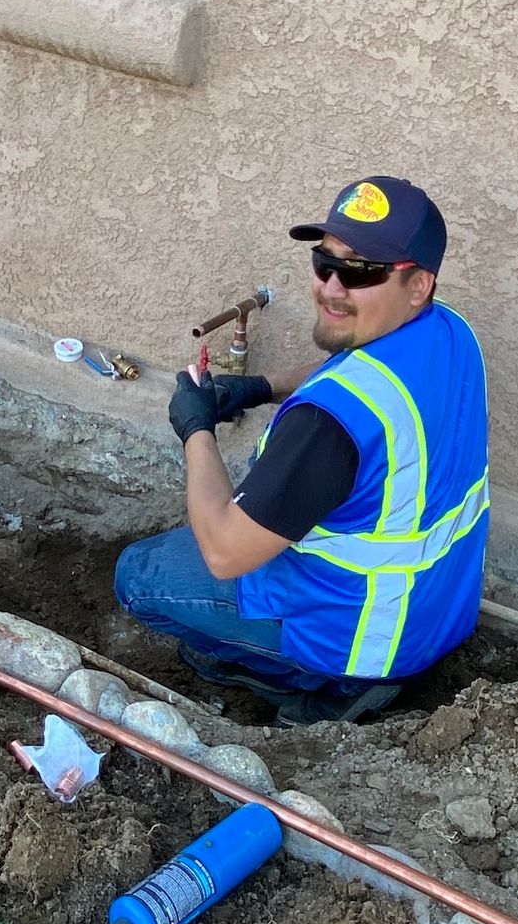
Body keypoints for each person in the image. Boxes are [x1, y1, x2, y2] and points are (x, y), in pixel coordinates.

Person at [113, 175, 490, 724]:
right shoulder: (449, 332)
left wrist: (197, 430)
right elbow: (352, 373)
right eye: (324, 263)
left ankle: (319, 691)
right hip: (438, 609)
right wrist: (261, 386)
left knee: (141, 574)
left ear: (417, 285)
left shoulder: (326, 427)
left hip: (366, 641)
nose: (332, 288)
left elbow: (223, 552)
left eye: (360, 271)